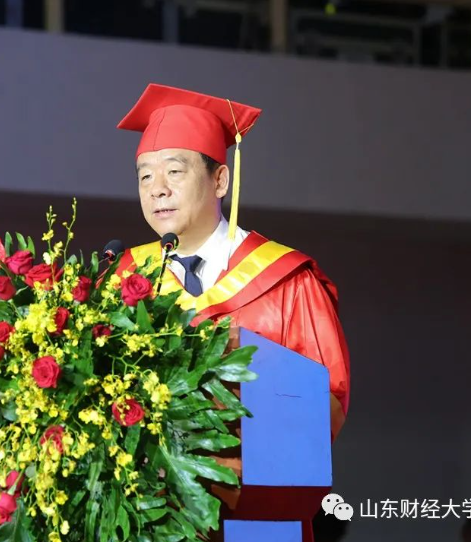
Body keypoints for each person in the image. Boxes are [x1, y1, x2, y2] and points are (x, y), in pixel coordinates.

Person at [114, 83, 351, 540]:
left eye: (174, 171)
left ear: (219, 181)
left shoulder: (287, 279)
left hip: (255, 522)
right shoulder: (121, 282)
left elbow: (328, 402)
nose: (157, 189)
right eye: (145, 176)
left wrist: (221, 468)